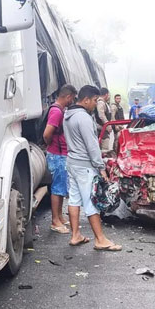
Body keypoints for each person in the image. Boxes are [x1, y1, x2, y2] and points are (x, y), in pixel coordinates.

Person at [64, 85, 122, 251]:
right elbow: (92, 146)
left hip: (72, 163)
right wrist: (101, 167)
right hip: (84, 166)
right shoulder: (83, 118)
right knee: (91, 201)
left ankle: (75, 235)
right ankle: (100, 239)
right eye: (95, 101)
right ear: (86, 99)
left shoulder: (67, 115)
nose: (95, 104)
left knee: (74, 199)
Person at [43, 84, 77, 234]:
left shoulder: (58, 110)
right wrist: (52, 146)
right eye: (72, 98)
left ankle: (60, 217)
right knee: (57, 188)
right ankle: (55, 221)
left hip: (60, 154)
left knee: (61, 186)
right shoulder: (57, 112)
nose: (72, 102)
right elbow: (47, 134)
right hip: (57, 155)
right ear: (68, 96)